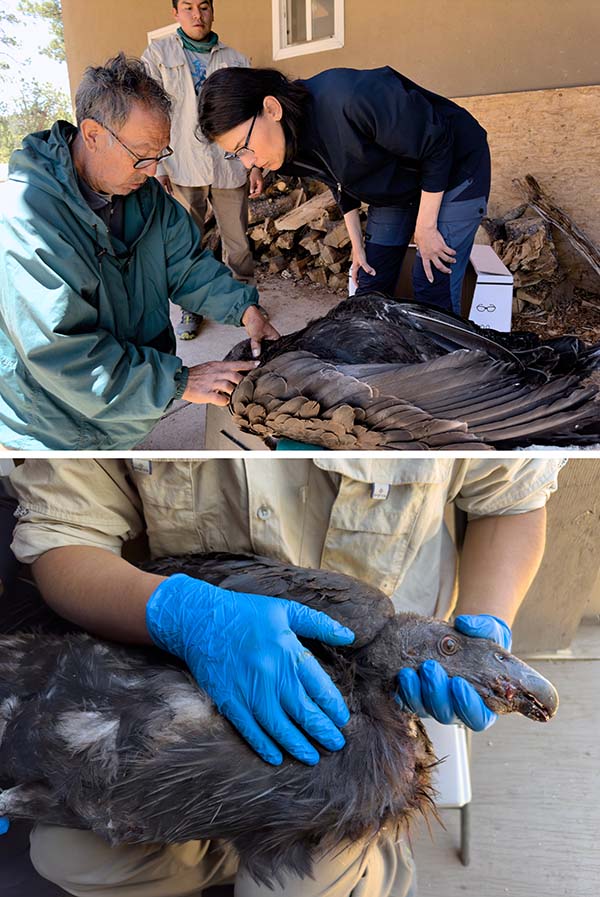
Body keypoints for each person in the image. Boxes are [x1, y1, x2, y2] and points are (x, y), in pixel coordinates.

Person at [4, 456, 560, 897]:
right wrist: (182, 614)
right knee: (73, 859)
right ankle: (206, 851)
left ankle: (335, 858)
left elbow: (510, 501)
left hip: (368, 714)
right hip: (180, 656)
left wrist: (481, 632)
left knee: (305, 881)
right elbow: (62, 534)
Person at [0, 53, 278, 451]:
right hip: (55, 423)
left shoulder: (146, 197)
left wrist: (244, 308)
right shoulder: (27, 220)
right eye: (142, 155)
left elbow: (187, 267)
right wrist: (177, 381)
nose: (151, 173)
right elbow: (63, 354)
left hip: (125, 408)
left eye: (160, 155)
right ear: (93, 135)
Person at [198, 66, 491, 314]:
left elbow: (437, 144)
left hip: (455, 164)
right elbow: (334, 176)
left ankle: (449, 370)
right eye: (237, 155)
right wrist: (356, 244)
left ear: (271, 108)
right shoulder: (283, 149)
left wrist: (425, 227)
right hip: (396, 180)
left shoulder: (349, 99)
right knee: (370, 280)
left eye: (244, 148)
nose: (249, 163)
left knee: (431, 283)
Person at [142, 0, 263, 340]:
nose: (198, 15)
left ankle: (247, 305)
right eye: (189, 7)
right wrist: (159, 164)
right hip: (182, 163)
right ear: (176, 13)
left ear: (213, 11)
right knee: (186, 241)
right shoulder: (157, 55)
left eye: (204, 7)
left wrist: (253, 164)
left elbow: (249, 116)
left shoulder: (235, 59)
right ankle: (191, 308)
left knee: (237, 241)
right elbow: (150, 113)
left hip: (228, 163)